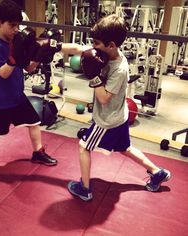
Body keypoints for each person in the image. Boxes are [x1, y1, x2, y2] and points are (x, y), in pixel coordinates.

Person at [60, 14, 171, 201]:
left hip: (107, 120)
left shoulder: (119, 69)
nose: (92, 46)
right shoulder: (102, 52)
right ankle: (157, 172)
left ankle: (84, 189)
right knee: (126, 148)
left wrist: (93, 77)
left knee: (83, 147)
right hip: (120, 116)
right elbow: (78, 48)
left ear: (111, 45)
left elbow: (103, 98)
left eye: (96, 43)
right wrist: (52, 46)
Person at [0, 0, 58, 174]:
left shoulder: (18, 42)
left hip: (16, 96)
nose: (16, 29)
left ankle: (38, 152)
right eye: (12, 25)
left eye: (18, 25)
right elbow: (3, 73)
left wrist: (40, 56)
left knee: (34, 122)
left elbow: (28, 68)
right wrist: (14, 57)